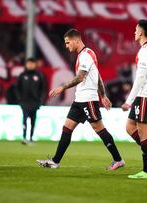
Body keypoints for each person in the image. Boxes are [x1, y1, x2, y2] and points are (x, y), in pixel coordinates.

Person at [37, 29, 124, 170]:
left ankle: (118, 160)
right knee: (67, 128)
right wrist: (103, 95)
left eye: (67, 42)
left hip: (88, 99)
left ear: (76, 40)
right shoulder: (85, 55)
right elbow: (98, 76)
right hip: (80, 99)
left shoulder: (86, 55)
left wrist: (62, 88)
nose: (66, 46)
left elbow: (80, 77)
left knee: (99, 128)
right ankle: (55, 161)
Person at [121, 19, 147, 179]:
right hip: (145, 94)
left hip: (145, 94)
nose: (134, 32)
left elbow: (140, 77)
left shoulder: (145, 51)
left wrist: (128, 100)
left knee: (143, 132)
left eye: (135, 29)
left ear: (141, 32)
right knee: (129, 127)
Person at [16, 57, 47, 144]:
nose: (30, 65)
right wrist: (20, 100)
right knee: (25, 120)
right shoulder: (22, 75)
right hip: (24, 102)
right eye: (28, 63)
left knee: (33, 121)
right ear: (26, 65)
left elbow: (43, 89)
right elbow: (17, 88)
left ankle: (31, 138)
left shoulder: (39, 75)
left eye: (32, 63)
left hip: (35, 103)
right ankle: (24, 137)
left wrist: (41, 101)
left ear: (35, 65)